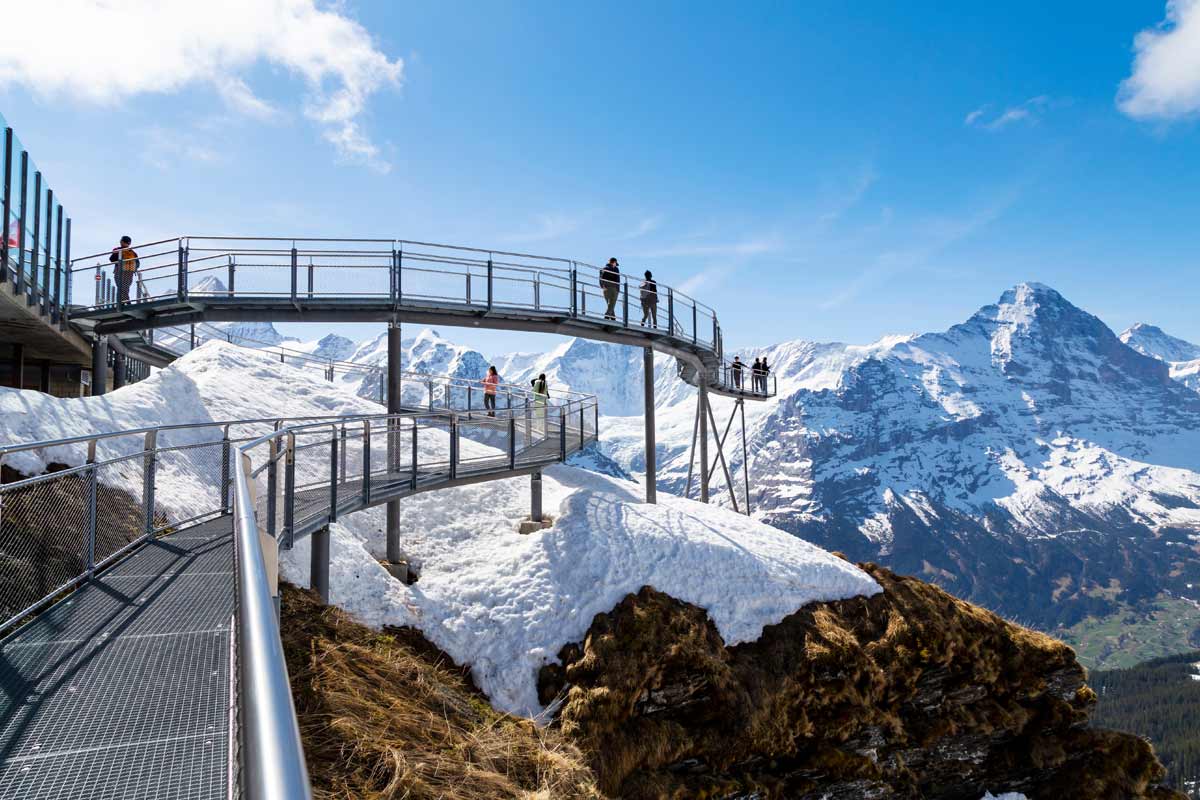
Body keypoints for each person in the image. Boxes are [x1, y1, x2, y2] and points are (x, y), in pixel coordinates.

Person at [108, 235, 140, 305]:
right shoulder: (133, 253)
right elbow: (138, 264)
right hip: (129, 272)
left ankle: (126, 303)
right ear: (129, 243)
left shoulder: (118, 250)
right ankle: (124, 303)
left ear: (122, 242)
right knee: (125, 288)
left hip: (119, 271)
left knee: (121, 288)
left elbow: (112, 259)